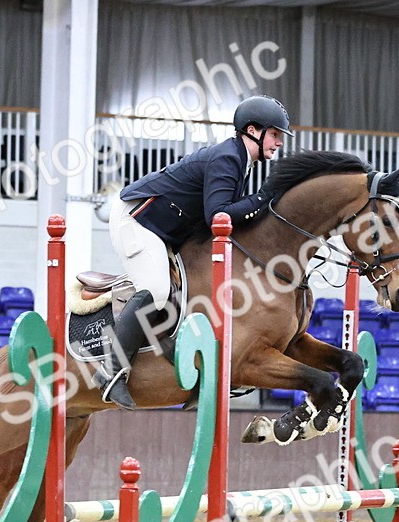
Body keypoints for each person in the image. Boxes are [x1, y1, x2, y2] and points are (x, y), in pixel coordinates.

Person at [97, 95, 293, 409]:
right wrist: (263, 199)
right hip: (137, 220)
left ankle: (192, 380)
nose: (279, 142)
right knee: (158, 291)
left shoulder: (240, 160)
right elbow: (218, 215)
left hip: (167, 228)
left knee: (190, 294)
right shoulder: (228, 158)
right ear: (252, 130)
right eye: (275, 134)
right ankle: (110, 371)